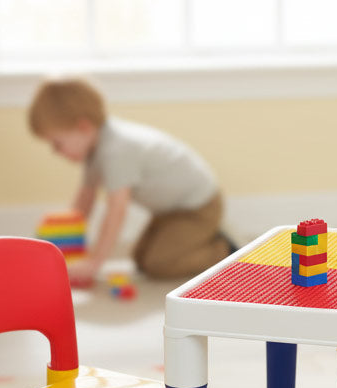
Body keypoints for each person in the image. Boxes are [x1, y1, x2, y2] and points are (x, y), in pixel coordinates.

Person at [28, 78, 234, 285]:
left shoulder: (115, 151)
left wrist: (95, 262)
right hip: (167, 212)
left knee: (159, 264)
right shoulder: (95, 150)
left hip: (198, 208)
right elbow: (84, 203)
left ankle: (224, 250)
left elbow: (116, 210)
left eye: (57, 143)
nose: (55, 152)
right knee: (141, 259)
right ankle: (200, 240)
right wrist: (62, 244)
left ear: (83, 127)